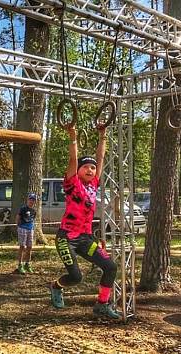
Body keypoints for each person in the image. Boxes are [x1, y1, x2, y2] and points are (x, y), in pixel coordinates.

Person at [48, 123, 120, 320]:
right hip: (67, 238)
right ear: (78, 170)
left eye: (93, 167)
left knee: (111, 267)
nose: (90, 169)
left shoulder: (94, 184)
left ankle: (102, 305)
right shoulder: (72, 183)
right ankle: (56, 286)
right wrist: (73, 137)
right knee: (76, 277)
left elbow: (101, 157)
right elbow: (73, 158)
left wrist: (103, 134)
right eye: (86, 167)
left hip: (85, 239)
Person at [15, 193, 37, 275]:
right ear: (27, 200)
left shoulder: (34, 211)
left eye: (33, 200)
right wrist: (19, 227)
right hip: (22, 229)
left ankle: (27, 264)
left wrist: (32, 228)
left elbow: (32, 219)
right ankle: (20, 264)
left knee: (30, 247)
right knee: (22, 247)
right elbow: (17, 218)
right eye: (30, 199)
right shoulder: (23, 209)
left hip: (30, 229)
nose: (31, 201)